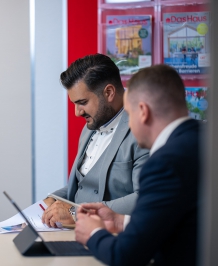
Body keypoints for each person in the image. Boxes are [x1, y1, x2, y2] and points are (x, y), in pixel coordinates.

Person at [75, 64, 200, 266]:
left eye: (129, 115)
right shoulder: (201, 141)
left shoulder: (164, 164)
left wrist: (93, 234)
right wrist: (120, 221)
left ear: (142, 112)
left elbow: (125, 256)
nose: (129, 124)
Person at [42, 54, 149, 228]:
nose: (77, 112)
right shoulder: (89, 128)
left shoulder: (143, 130)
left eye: (82, 102)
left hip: (113, 237)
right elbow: (84, 186)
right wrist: (53, 199)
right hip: (76, 233)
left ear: (109, 92)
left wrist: (76, 213)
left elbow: (144, 196)